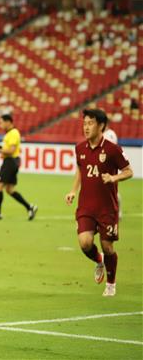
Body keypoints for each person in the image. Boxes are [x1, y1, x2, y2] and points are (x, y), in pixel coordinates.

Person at [65, 109, 132, 297]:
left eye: (90, 123)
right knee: (85, 243)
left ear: (101, 125)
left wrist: (113, 177)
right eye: (84, 123)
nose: (86, 127)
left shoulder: (112, 149)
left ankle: (110, 284)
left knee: (107, 246)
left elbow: (129, 171)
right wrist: (73, 191)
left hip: (107, 207)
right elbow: (80, 170)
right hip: (86, 206)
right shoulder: (80, 148)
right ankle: (99, 260)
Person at [0, 114, 38, 221]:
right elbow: (7, 148)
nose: (0, 125)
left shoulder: (13, 133)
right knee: (9, 189)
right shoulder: (10, 133)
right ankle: (30, 207)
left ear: (8, 122)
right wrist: (0, 149)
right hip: (11, 161)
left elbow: (11, 150)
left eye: (1, 122)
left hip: (10, 162)